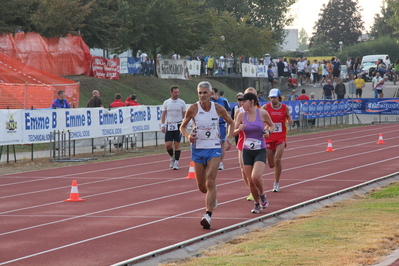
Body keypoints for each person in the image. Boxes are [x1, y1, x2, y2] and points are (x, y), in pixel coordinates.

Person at [180, 81, 234, 229]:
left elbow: (231, 122)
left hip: (214, 147)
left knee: (211, 181)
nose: (202, 95)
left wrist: (228, 137)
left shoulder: (218, 109)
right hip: (198, 149)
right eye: (200, 93)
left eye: (205, 92)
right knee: (202, 187)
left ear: (211, 93)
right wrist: (188, 136)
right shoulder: (193, 109)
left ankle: (208, 215)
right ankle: (212, 199)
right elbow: (183, 126)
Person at [234, 93, 275, 213]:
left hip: (260, 149)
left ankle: (262, 195)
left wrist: (268, 132)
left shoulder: (262, 113)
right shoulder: (241, 115)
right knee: (250, 180)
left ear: (251, 102)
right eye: (241, 101)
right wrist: (238, 129)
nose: (241, 104)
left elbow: (271, 126)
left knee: (256, 176)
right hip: (247, 151)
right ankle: (256, 203)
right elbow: (232, 133)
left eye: (244, 101)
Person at [262, 88, 293, 193]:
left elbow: (288, 117)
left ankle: (276, 183)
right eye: (271, 97)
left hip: (281, 136)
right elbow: (260, 117)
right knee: (271, 164)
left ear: (279, 97)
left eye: (274, 97)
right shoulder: (266, 107)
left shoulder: (285, 108)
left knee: (277, 159)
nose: (272, 99)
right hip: (269, 136)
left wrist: (290, 120)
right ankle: (277, 168)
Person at [161, 85, 187, 170]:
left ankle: (176, 162)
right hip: (169, 125)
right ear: (171, 92)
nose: (177, 94)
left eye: (178, 92)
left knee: (177, 144)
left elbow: (185, 114)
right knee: (168, 145)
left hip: (179, 125)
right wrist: (162, 125)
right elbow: (163, 114)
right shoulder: (166, 102)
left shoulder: (182, 102)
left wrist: (184, 124)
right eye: (175, 92)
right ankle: (172, 157)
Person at [211, 88, 231, 170]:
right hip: (212, 125)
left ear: (216, 93)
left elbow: (228, 112)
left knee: (222, 144)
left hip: (221, 124)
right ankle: (212, 161)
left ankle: (221, 162)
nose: (211, 95)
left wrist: (227, 123)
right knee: (212, 143)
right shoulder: (208, 101)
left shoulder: (223, 101)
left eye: (212, 93)